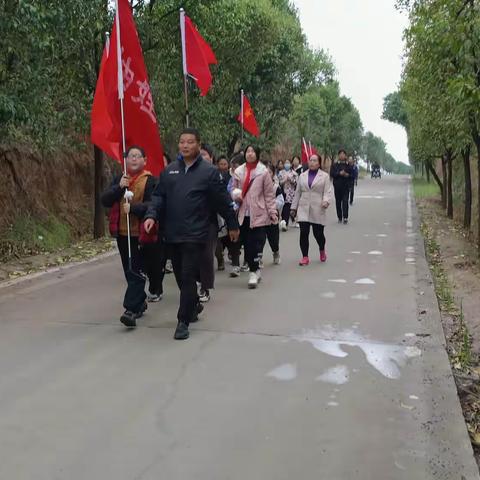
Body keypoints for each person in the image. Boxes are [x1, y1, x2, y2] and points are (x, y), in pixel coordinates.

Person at [144, 128, 239, 340]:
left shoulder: (209, 172)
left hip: (197, 234)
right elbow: (158, 197)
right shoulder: (169, 171)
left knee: (187, 275)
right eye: (182, 142)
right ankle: (193, 304)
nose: (185, 145)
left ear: (198, 144)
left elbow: (222, 201)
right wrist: (151, 215)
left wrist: (232, 224)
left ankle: (183, 321)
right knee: (179, 275)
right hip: (173, 233)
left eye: (190, 142)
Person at [101, 145, 157, 327]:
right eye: (130, 156)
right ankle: (140, 302)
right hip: (122, 233)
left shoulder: (150, 181)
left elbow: (153, 205)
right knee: (129, 270)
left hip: (141, 234)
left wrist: (134, 208)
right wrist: (119, 188)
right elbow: (105, 200)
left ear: (144, 160)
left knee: (136, 271)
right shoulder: (120, 179)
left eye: (137, 156)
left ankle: (130, 309)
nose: (133, 159)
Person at [231, 145, 278, 289]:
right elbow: (233, 188)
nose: (250, 154)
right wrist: (236, 195)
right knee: (247, 243)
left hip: (259, 212)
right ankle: (255, 269)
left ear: (257, 154)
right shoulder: (239, 171)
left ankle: (253, 271)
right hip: (243, 213)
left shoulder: (263, 172)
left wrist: (272, 212)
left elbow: (269, 195)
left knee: (256, 242)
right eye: (247, 152)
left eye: (252, 152)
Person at [291, 154, 332, 266]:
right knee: (304, 232)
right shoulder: (302, 176)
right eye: (310, 160)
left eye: (315, 161)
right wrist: (293, 208)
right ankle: (305, 257)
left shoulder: (324, 176)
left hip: (318, 207)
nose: (312, 162)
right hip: (303, 207)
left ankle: (322, 249)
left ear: (319, 163)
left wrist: (326, 201)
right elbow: (298, 192)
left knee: (318, 233)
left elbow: (327, 191)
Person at [197, 143, 218, 303]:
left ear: (211, 158)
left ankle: (204, 287)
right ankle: (195, 284)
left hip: (209, 221)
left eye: (204, 154)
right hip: (189, 222)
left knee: (205, 256)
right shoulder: (187, 173)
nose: (201, 157)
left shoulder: (214, 174)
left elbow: (222, 200)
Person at [264, 163, 282, 265]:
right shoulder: (257, 186)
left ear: (273, 173)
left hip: (272, 217)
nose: (266, 174)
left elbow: (281, 201)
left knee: (273, 238)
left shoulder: (276, 187)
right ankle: (258, 258)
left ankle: (276, 252)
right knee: (259, 239)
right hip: (259, 217)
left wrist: (271, 205)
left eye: (269, 172)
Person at [330, 149, 354, 224]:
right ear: (338, 155)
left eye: (343, 154)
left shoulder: (348, 166)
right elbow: (332, 174)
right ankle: (339, 216)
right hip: (337, 186)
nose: (342, 155)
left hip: (346, 186)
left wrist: (347, 175)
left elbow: (353, 175)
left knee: (345, 201)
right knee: (338, 202)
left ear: (345, 156)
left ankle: (345, 217)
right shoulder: (334, 165)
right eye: (340, 154)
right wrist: (339, 173)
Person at [278, 159, 298, 231]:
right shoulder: (281, 173)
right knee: (283, 208)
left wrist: (291, 180)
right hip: (283, 192)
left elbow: (296, 183)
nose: (287, 164)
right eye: (286, 163)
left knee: (287, 208)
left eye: (288, 163)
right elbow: (279, 183)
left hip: (291, 193)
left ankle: (285, 223)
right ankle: (283, 222)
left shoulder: (294, 173)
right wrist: (284, 180)